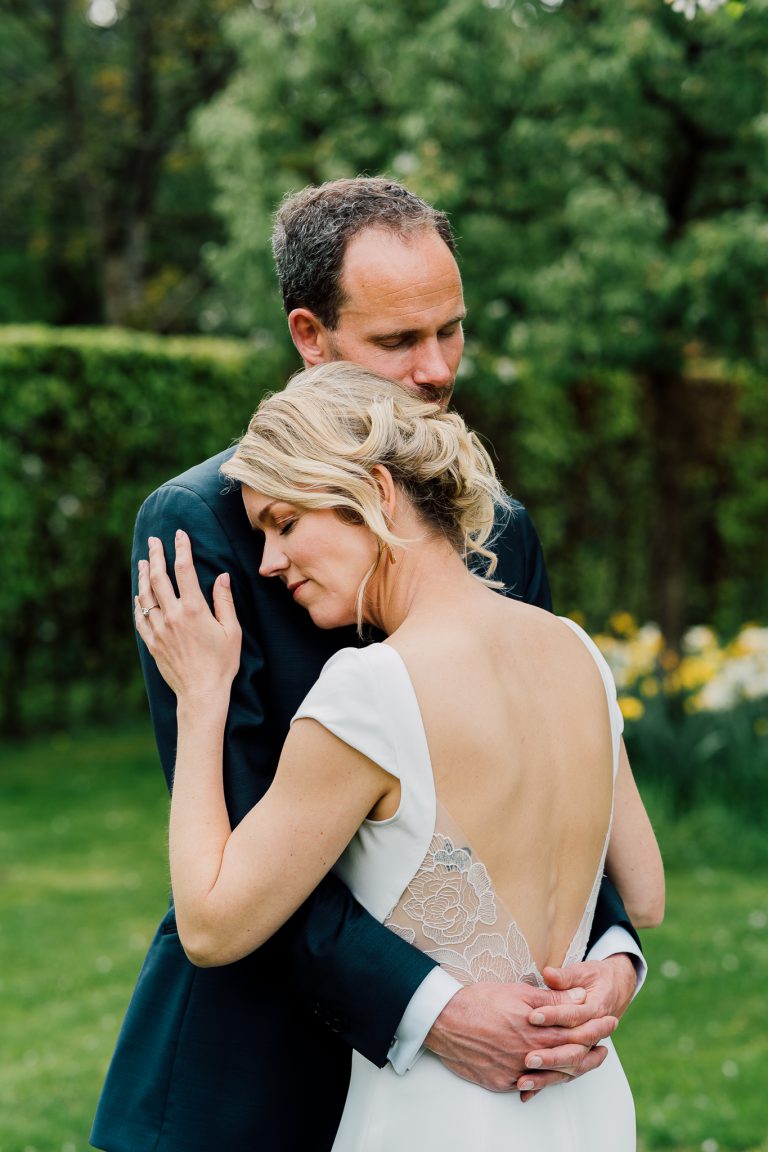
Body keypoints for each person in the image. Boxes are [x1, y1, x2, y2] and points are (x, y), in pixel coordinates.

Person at [91, 178, 646, 1152]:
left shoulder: (500, 530)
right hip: (258, 1080)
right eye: (398, 342)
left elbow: (567, 788)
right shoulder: (202, 527)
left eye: (453, 331)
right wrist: (435, 1009)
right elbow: (244, 848)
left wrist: (607, 957)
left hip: (509, 1085)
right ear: (310, 334)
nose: (436, 370)